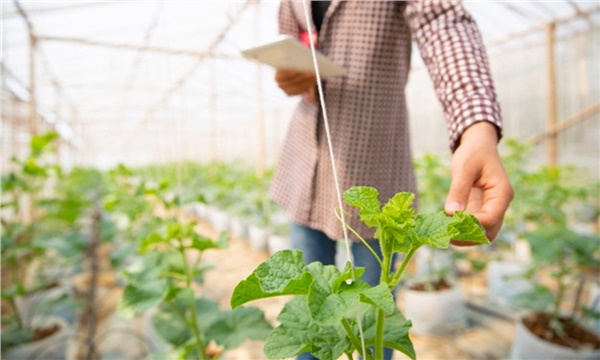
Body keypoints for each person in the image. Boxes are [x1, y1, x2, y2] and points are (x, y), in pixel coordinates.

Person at [269, 1, 514, 359]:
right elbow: (290, 44)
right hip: (306, 163)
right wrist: (289, 76)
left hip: (375, 162)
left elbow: (442, 19)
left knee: (374, 314)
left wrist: (476, 126)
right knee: (310, 312)